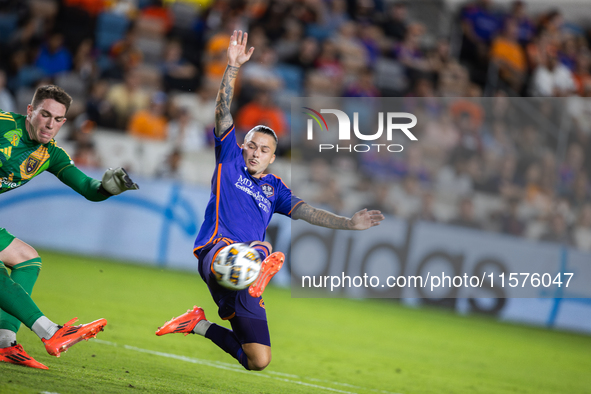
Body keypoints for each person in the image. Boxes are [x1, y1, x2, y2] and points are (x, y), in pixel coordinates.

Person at [155, 31, 384, 371]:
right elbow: (222, 110)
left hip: (242, 274)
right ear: (243, 145)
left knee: (257, 360)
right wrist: (232, 67)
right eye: (252, 145)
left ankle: (197, 323)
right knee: (262, 244)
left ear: (272, 157)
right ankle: (260, 266)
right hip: (216, 252)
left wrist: (348, 223)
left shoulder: (275, 188)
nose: (256, 153)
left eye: (264, 150)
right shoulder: (228, 156)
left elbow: (308, 213)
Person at [0, 85, 140, 369]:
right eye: (45, 115)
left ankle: (4, 341)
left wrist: (106, 188)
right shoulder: (3, 124)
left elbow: (87, 187)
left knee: (26, 259)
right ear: (30, 111)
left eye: (58, 119)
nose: (50, 124)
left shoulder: (51, 154)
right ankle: (50, 331)